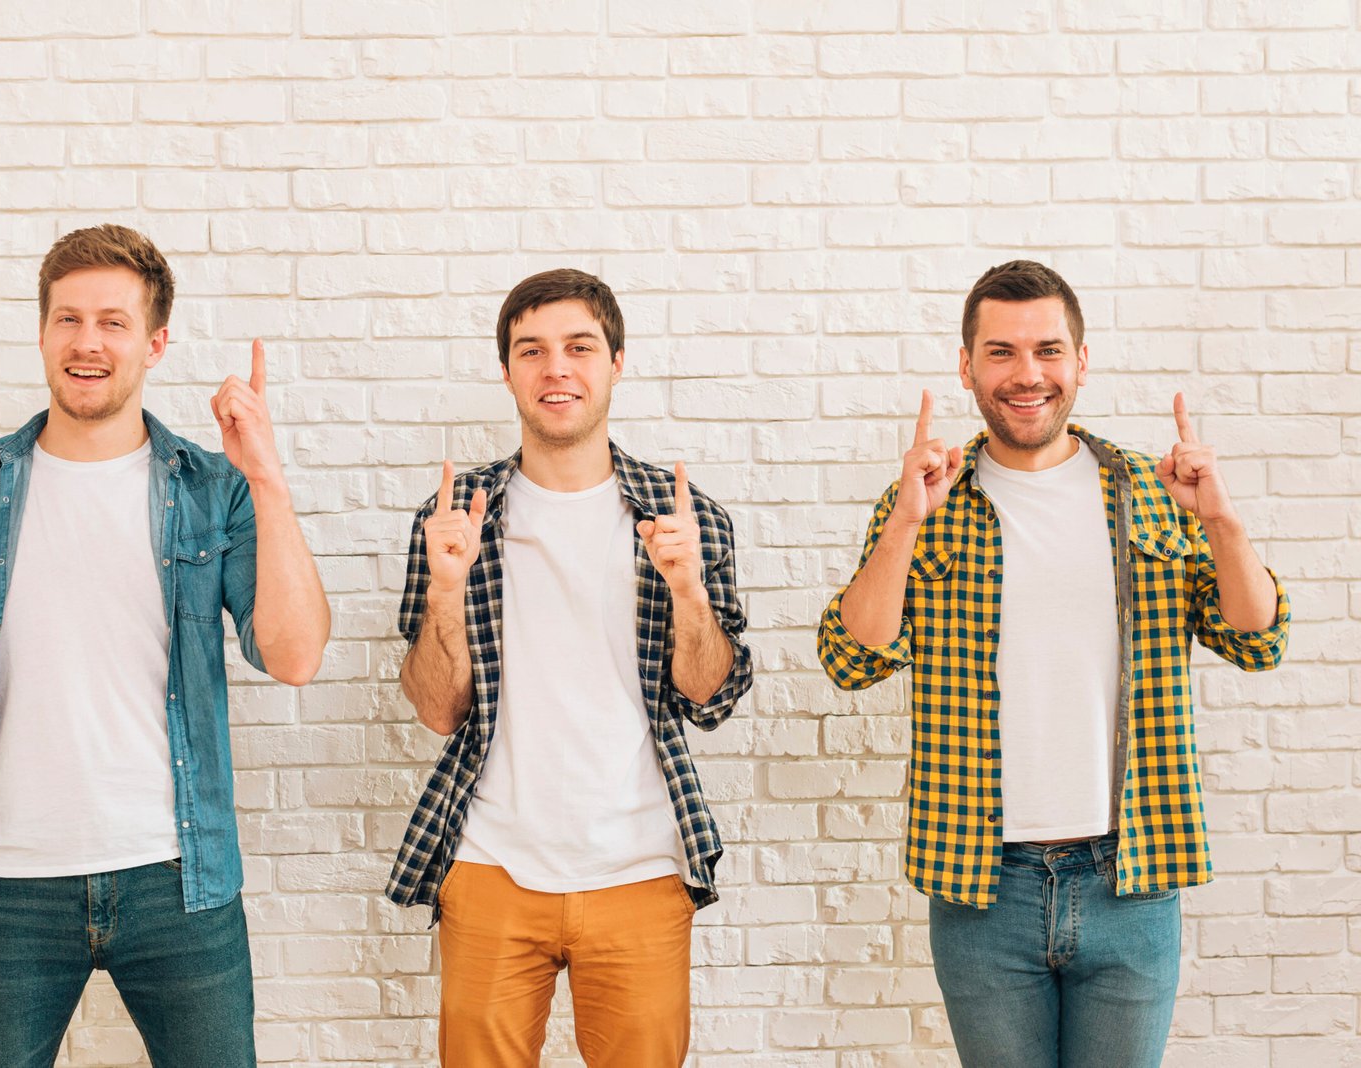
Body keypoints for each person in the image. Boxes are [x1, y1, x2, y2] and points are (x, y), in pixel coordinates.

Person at [0, 224, 330, 1067]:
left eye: (112, 321)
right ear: (41, 335)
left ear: (155, 343)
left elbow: (292, 655)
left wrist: (268, 481)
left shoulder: (212, 489)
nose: (87, 342)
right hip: (8, 882)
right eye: (67, 320)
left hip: (179, 875)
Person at [817, 260, 1289, 1067]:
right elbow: (851, 659)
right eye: (1000, 352)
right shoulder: (928, 503)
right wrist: (901, 526)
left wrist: (1223, 524)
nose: (1026, 374)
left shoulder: (1149, 488)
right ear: (966, 366)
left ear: (1081, 361)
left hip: (1131, 878)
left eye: (1047, 350)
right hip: (981, 886)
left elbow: (1257, 640)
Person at [386, 268, 753, 1066]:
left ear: (616, 363)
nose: (557, 369)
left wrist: (688, 592)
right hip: (488, 867)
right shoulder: (455, 516)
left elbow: (712, 695)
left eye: (579, 347)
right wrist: (445, 594)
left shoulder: (682, 513)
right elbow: (436, 708)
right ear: (509, 371)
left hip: (642, 870)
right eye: (532, 351)